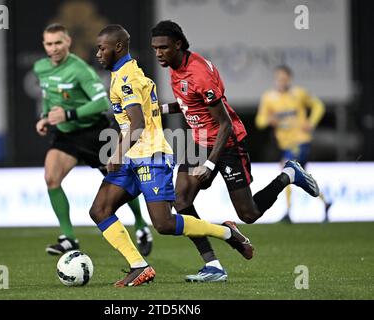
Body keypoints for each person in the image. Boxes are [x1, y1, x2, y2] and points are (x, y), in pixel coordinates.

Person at [151, 20, 320, 282]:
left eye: (163, 47)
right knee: (182, 201)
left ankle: (289, 174)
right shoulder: (175, 67)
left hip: (227, 143)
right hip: (198, 142)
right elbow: (188, 103)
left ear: (178, 45)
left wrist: (209, 165)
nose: (159, 53)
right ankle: (213, 265)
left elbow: (225, 124)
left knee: (249, 213)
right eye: (155, 48)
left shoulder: (199, 73)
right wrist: (160, 110)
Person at [92, 24, 254, 287]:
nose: (98, 53)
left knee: (165, 224)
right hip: (133, 154)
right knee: (100, 210)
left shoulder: (127, 79)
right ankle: (139, 266)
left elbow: (137, 124)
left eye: (102, 48)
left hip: (150, 156)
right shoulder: (122, 73)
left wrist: (117, 154)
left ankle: (226, 233)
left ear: (118, 47)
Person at [33, 23, 153, 256]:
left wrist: (69, 114)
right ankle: (68, 238)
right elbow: (47, 96)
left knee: (117, 182)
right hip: (66, 135)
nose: (54, 48)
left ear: (68, 42)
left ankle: (140, 224)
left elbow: (101, 104)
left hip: (93, 134)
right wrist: (44, 117)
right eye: (49, 43)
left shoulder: (80, 70)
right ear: (44, 45)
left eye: (58, 42)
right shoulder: (41, 68)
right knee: (51, 177)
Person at [256, 65, 332, 223]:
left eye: (284, 79)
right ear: (275, 80)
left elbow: (319, 106)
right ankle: (325, 202)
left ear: (289, 79)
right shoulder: (269, 97)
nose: (281, 82)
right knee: (300, 177)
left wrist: (311, 122)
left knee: (288, 168)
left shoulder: (299, 93)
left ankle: (288, 212)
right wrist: (269, 120)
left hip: (300, 141)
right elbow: (259, 121)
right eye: (279, 79)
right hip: (285, 144)